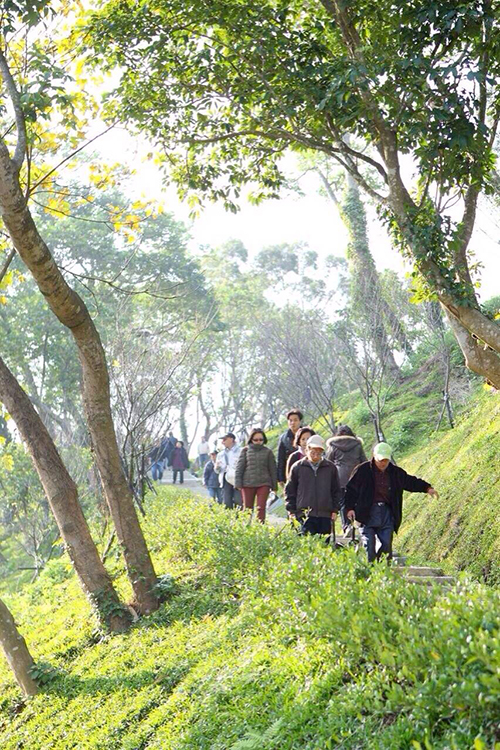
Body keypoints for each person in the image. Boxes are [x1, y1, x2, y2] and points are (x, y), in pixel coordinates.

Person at [344, 442, 439, 563]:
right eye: (380, 460)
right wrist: (349, 508)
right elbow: (351, 490)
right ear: (374, 456)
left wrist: (427, 488)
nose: (383, 463)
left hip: (387, 512)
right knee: (369, 546)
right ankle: (369, 571)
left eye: (386, 460)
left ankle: (383, 571)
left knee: (386, 545)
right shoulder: (362, 470)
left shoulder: (395, 473)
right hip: (366, 513)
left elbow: (410, 482)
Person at [285, 435, 341, 536]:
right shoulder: (297, 467)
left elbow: (336, 490)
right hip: (304, 514)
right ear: (307, 450)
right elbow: (290, 490)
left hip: (325, 515)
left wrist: (335, 510)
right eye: (313, 451)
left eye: (319, 452)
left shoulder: (330, 468)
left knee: (324, 546)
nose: (316, 454)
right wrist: (291, 511)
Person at [326, 425, 367, 534]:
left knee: (344, 502)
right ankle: (359, 525)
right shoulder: (357, 445)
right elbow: (364, 461)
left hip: (340, 478)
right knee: (357, 501)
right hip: (356, 477)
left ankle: (346, 526)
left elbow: (328, 462)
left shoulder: (333, 445)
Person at [234, 428, 277, 523]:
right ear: (251, 440)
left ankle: (260, 528)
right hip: (247, 483)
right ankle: (247, 529)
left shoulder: (268, 452)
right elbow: (239, 467)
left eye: (261, 440)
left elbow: (273, 470)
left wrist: (274, 486)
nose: (258, 442)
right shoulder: (245, 451)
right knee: (248, 508)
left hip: (264, 483)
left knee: (261, 508)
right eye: (256, 440)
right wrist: (238, 483)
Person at [215, 432, 242, 509]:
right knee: (226, 501)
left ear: (231, 439)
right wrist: (217, 467)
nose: (223, 442)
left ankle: (239, 518)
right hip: (225, 478)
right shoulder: (220, 454)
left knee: (238, 500)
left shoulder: (241, 451)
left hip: (237, 478)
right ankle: (229, 518)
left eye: (224, 439)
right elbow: (217, 471)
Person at [277, 409, 303, 488]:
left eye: (295, 420)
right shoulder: (283, 438)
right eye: (290, 420)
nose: (292, 423)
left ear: (300, 421)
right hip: (290, 471)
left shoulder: (307, 434)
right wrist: (280, 478)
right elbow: (280, 458)